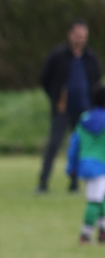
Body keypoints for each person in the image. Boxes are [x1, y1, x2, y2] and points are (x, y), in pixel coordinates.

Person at [38, 20, 102, 194]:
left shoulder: (91, 57)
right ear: (70, 34)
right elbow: (45, 79)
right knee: (53, 145)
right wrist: (56, 98)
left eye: (84, 36)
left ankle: (74, 184)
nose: (81, 39)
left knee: (79, 146)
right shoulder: (58, 56)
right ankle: (43, 183)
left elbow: (96, 82)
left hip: (84, 111)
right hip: (62, 110)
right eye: (78, 35)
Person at [66, 85, 105, 244]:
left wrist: (71, 165)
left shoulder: (84, 118)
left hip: (85, 164)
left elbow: (74, 143)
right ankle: (85, 235)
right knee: (94, 200)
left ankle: (103, 231)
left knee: (101, 198)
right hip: (101, 165)